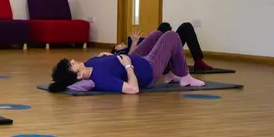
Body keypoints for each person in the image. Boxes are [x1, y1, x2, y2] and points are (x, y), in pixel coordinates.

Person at [47, 30, 206, 94]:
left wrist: (109, 56)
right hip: (148, 70)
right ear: (80, 75)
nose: (74, 60)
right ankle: (185, 76)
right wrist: (129, 67)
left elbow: (117, 63)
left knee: (156, 34)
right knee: (171, 36)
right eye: (72, 64)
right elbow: (133, 89)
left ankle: (169, 74)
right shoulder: (101, 80)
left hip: (136, 59)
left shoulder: (90, 62)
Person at [112, 22, 213, 70]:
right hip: (158, 56)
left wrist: (135, 42)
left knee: (186, 26)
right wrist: (134, 43)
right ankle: (168, 38)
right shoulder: (120, 54)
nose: (122, 43)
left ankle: (198, 61)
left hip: (163, 47)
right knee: (160, 32)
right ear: (115, 49)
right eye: (119, 45)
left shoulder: (138, 43)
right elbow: (130, 57)